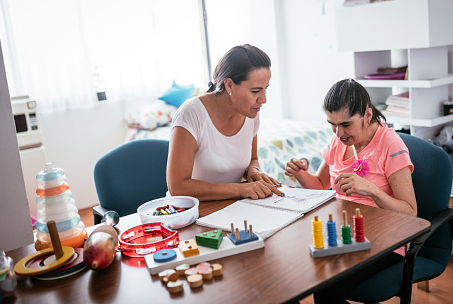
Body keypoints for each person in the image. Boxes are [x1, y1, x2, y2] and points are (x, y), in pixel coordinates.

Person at [285, 78, 417, 303]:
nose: (338, 133)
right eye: (332, 124)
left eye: (345, 125)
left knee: (326, 290)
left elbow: (410, 212)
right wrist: (299, 174)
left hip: (385, 241)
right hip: (344, 235)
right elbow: (320, 185)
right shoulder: (338, 142)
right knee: (290, 277)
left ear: (367, 115)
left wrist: (372, 190)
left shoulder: (391, 145)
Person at [167, 44, 283, 201]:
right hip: (191, 211)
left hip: (231, 207)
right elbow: (177, 187)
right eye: (255, 91)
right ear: (229, 85)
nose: (263, 99)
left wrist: (253, 171)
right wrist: (240, 189)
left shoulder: (252, 114)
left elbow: (252, 159)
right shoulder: (191, 114)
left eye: (265, 89)